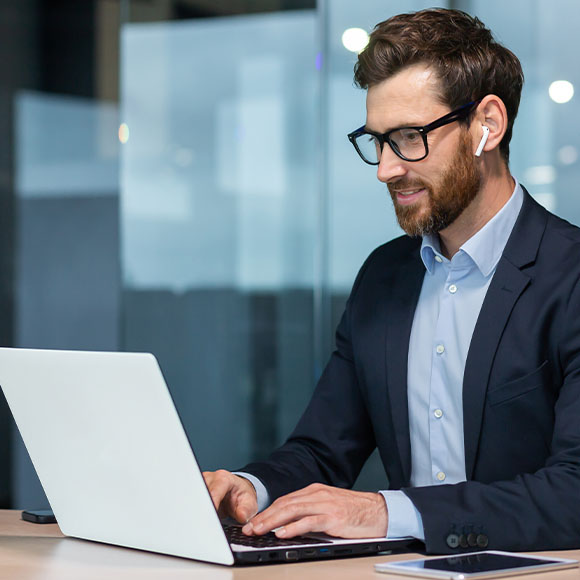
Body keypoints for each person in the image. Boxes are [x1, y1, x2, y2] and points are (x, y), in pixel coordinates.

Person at [204, 8, 580, 553]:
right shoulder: (385, 276)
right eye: (377, 140)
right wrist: (251, 489)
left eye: (409, 136)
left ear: (487, 126)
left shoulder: (569, 275)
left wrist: (386, 510)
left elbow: (573, 491)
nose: (386, 168)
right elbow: (322, 451)